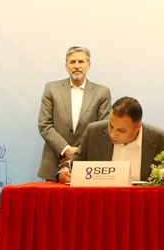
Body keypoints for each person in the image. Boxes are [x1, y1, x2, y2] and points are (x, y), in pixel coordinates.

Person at [37, 46, 111, 181]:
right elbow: (44, 125)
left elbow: (103, 129)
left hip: (87, 163)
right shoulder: (51, 89)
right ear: (66, 66)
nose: (77, 66)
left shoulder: (102, 92)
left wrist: (77, 154)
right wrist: (66, 150)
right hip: (55, 162)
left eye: (81, 61)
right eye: (72, 62)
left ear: (89, 65)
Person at [59, 97, 164, 183]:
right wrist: (64, 173)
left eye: (121, 130)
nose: (113, 134)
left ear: (138, 127)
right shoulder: (94, 132)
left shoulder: (163, 141)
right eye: (111, 126)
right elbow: (73, 165)